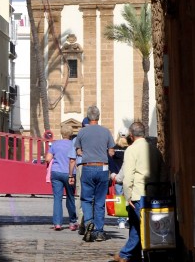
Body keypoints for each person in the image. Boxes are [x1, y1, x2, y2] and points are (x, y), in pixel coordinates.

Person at [111, 120, 168, 262]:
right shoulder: (154, 150)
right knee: (137, 226)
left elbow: (128, 175)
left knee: (144, 226)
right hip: (154, 194)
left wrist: (128, 195)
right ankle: (133, 256)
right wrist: (160, 189)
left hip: (138, 195)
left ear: (131, 135)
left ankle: (125, 254)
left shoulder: (131, 150)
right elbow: (163, 172)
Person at [69, 105, 115, 243]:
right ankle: (99, 232)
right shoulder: (106, 132)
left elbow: (78, 151)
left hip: (88, 167)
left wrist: (87, 152)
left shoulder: (82, 132)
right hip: (103, 168)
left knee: (86, 199)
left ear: (88, 117)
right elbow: (111, 152)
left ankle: (89, 222)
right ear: (98, 117)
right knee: (100, 201)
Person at [45, 125, 78, 231]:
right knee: (70, 197)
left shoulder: (55, 144)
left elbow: (47, 159)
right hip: (70, 173)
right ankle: (72, 222)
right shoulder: (74, 145)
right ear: (71, 134)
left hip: (56, 172)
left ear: (61, 133)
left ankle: (57, 223)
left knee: (57, 198)